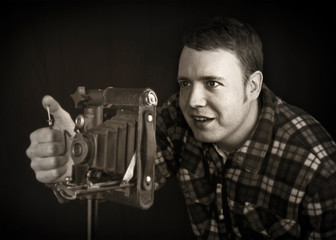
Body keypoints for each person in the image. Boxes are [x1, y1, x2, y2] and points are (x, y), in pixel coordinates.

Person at [26, 16, 336, 239]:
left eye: (212, 83)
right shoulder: (178, 115)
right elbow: (128, 170)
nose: (192, 101)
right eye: (185, 83)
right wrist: (76, 160)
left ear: (252, 86)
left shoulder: (317, 166)